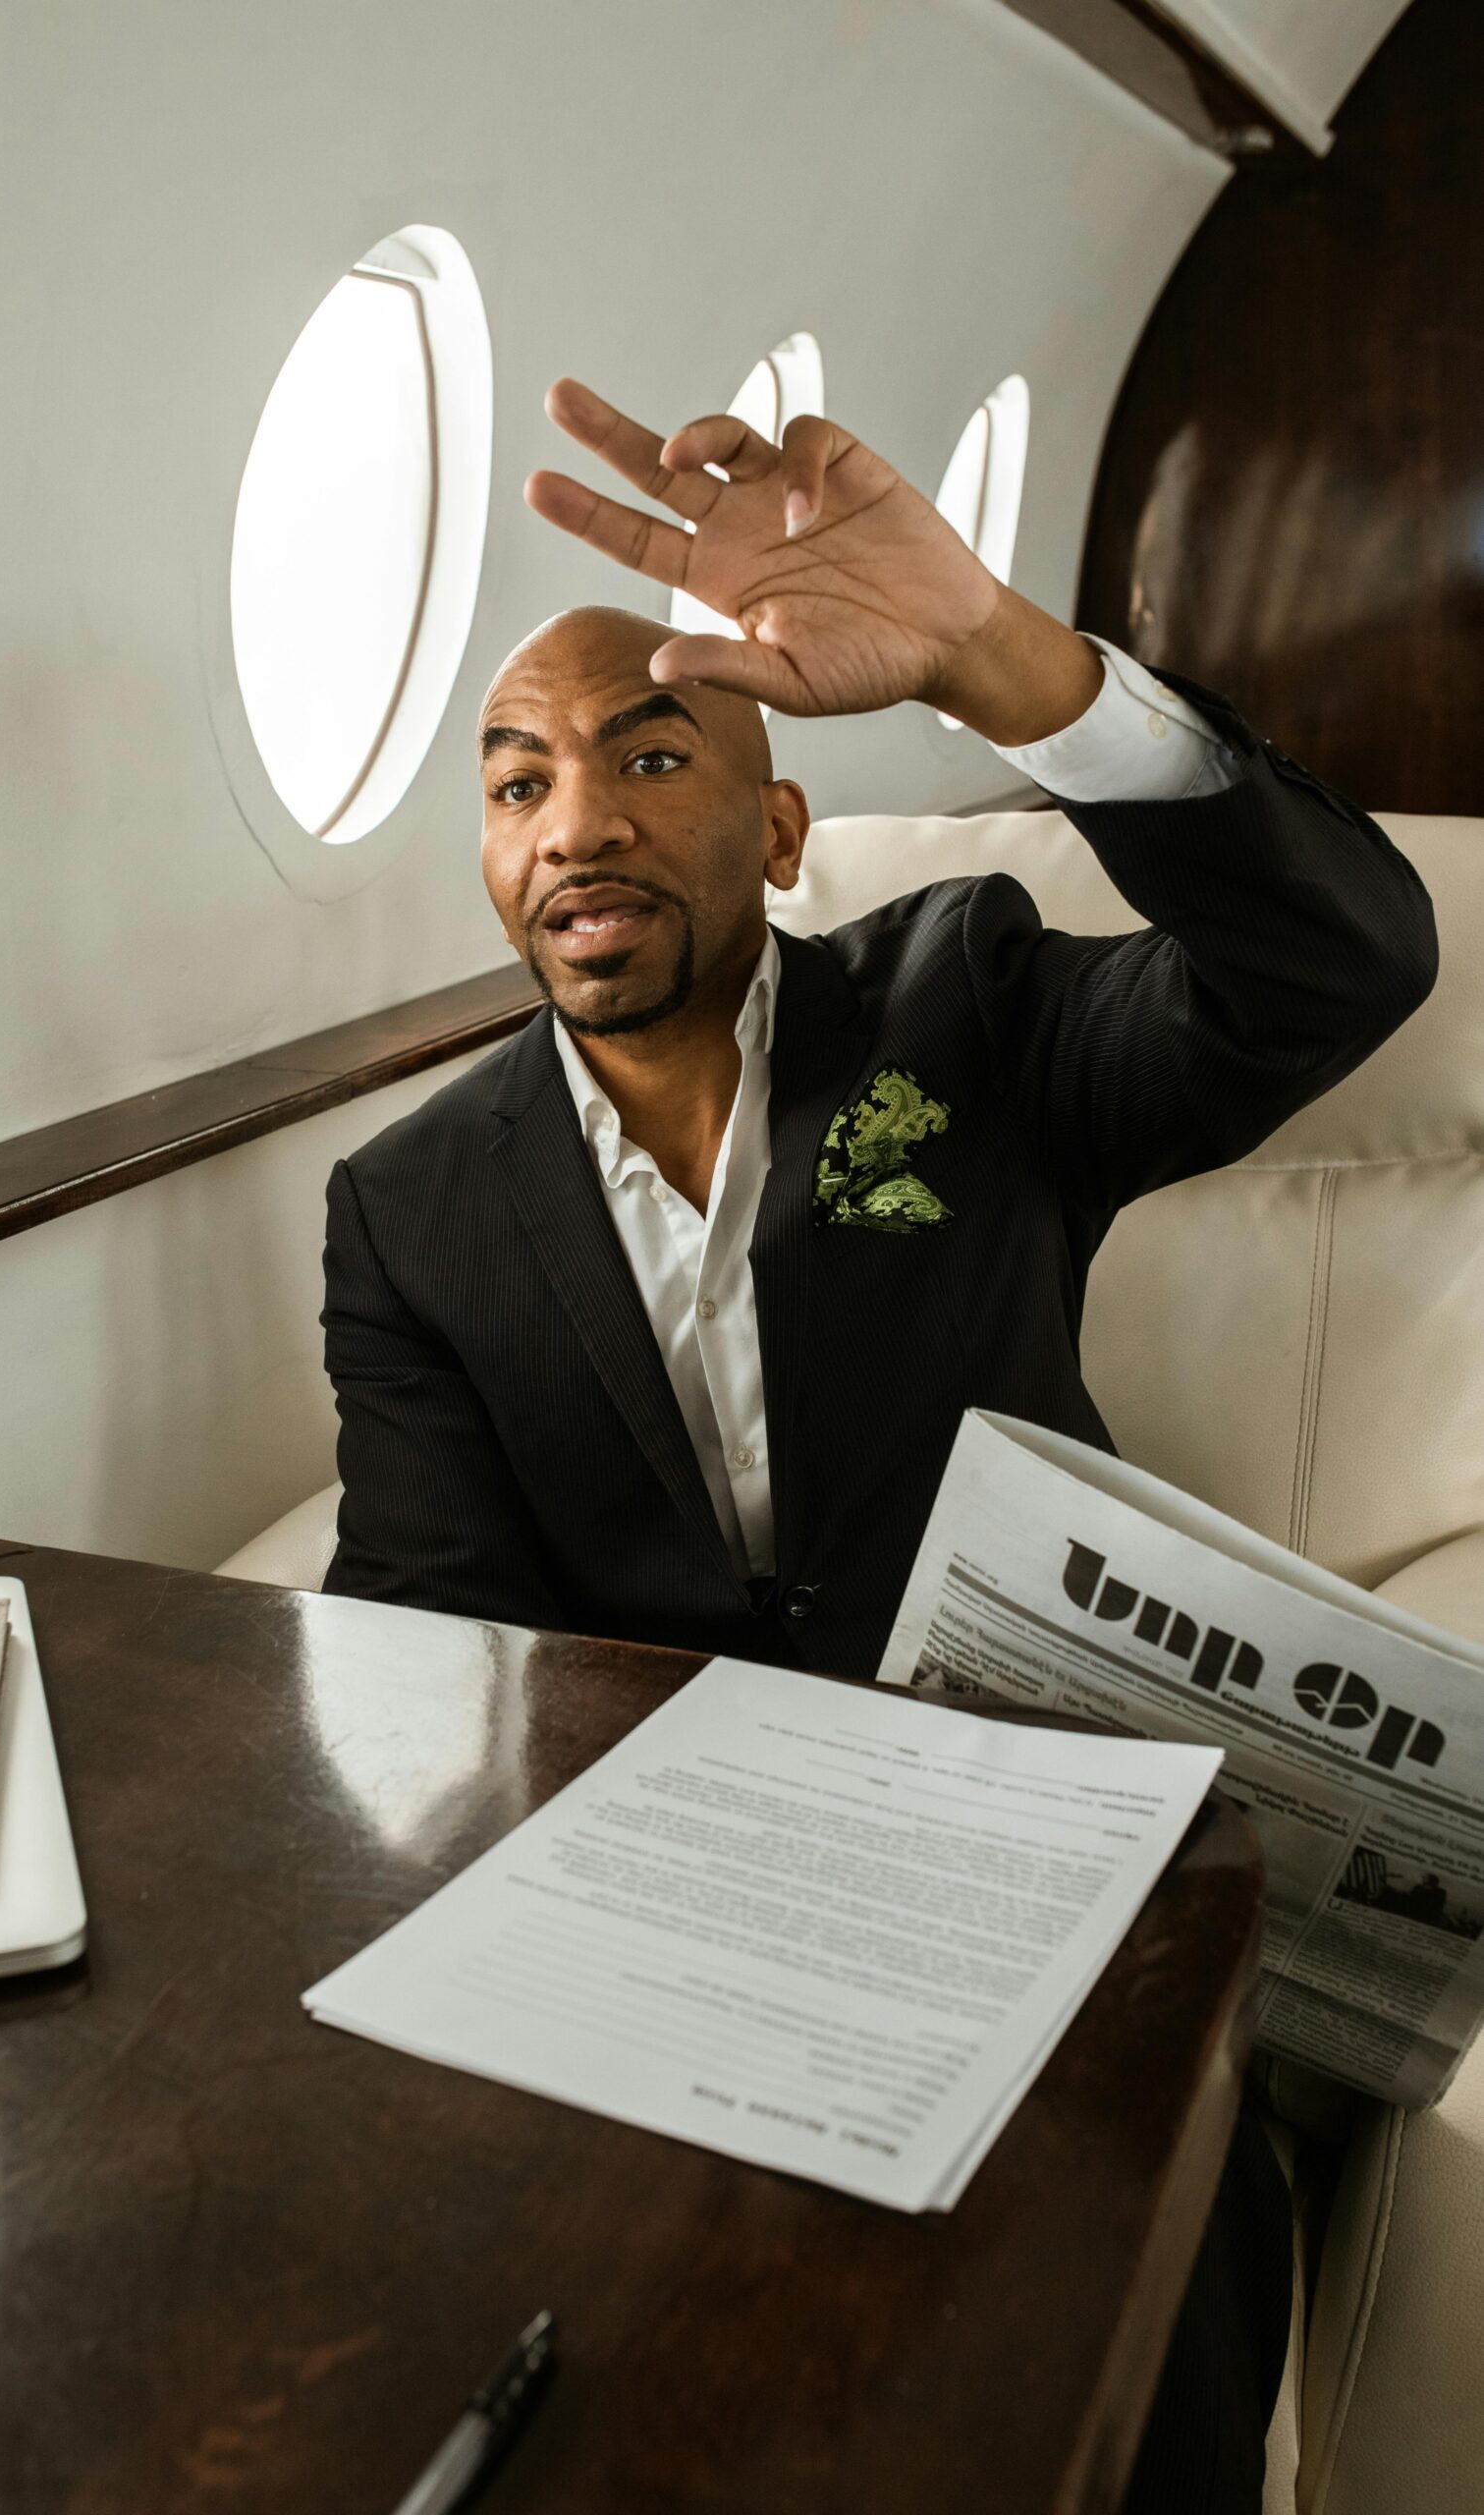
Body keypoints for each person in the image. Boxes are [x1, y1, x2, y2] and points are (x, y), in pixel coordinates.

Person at [320, 379, 1439, 2512]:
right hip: (679, 1886)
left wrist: (1009, 660)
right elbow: (431, 1642)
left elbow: (1344, 957)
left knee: (1129, 2311)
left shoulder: (969, 1001)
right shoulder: (408, 1206)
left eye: (650, 754)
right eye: (516, 781)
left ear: (774, 828)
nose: (576, 823)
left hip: (1045, 1867)